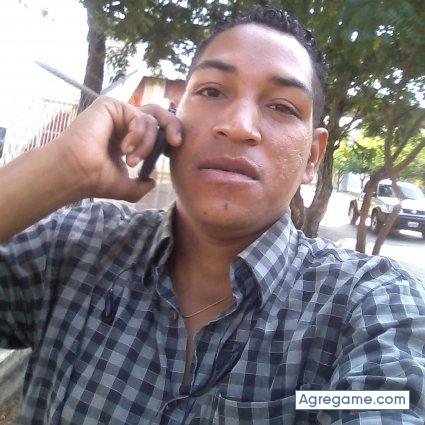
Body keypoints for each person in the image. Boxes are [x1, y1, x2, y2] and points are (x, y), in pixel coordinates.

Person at [1, 6, 424, 424]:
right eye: (212, 91)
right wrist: (65, 167)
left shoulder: (370, 303)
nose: (238, 126)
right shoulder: (77, 243)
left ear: (312, 156)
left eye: (281, 106)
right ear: (171, 119)